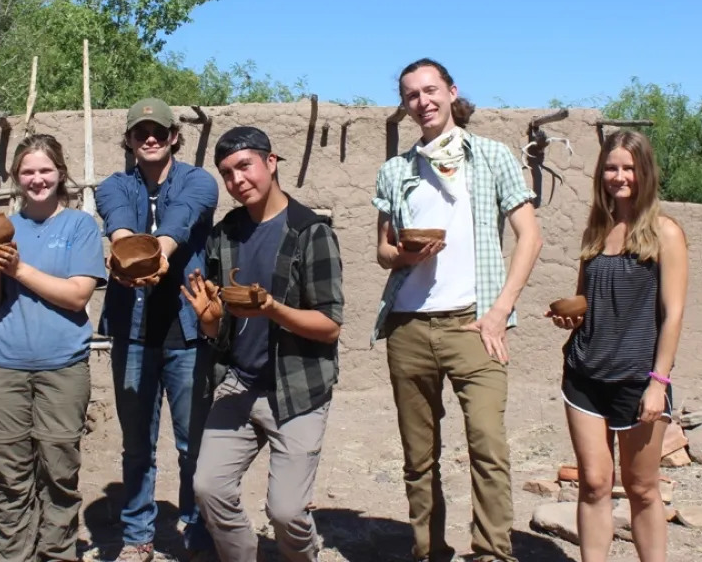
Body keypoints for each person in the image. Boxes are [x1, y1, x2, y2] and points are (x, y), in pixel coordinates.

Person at [372, 59, 543, 562]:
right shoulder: (396, 170)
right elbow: (382, 250)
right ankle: (429, 550)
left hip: (474, 323)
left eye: (430, 90)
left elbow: (529, 236)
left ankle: (492, 553)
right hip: (408, 325)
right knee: (418, 457)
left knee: (488, 447)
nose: (422, 101)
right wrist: (405, 254)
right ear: (404, 105)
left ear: (451, 92)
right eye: (411, 95)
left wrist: (499, 311)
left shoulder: (491, 156)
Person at [183, 126, 344, 562]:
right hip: (240, 383)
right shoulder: (226, 234)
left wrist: (273, 309)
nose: (237, 180)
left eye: (244, 166)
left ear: (271, 163)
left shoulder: (311, 233)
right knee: (208, 488)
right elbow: (220, 326)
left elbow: (329, 325)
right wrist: (210, 319)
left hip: (297, 388)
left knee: (287, 511)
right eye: (227, 173)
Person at [546, 130, 687, 562]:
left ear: (644, 172)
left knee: (643, 489)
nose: (619, 176)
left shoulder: (664, 233)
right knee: (593, 483)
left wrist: (658, 382)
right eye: (611, 167)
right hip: (585, 375)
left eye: (628, 168)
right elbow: (586, 303)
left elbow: (673, 314)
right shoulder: (597, 231)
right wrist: (571, 317)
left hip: (637, 378)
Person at [0, 133, 107, 562]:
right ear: (16, 178)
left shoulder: (80, 226)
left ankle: (59, 554)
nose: (37, 179)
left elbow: (76, 296)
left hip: (62, 368)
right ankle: (15, 556)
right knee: (10, 478)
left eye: (45, 170)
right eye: (28, 171)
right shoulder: (2, 229)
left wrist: (18, 267)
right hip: (1, 366)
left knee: (59, 473)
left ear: (60, 173)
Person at [96, 98, 219, 562]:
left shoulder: (199, 181)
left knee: (192, 443)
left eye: (158, 131)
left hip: (186, 333)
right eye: (140, 131)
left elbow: (181, 220)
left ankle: (195, 526)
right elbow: (119, 226)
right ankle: (137, 535)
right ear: (128, 139)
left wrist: (159, 254)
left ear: (173, 137)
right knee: (136, 445)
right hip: (133, 333)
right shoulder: (113, 185)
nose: (149, 137)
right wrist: (128, 251)